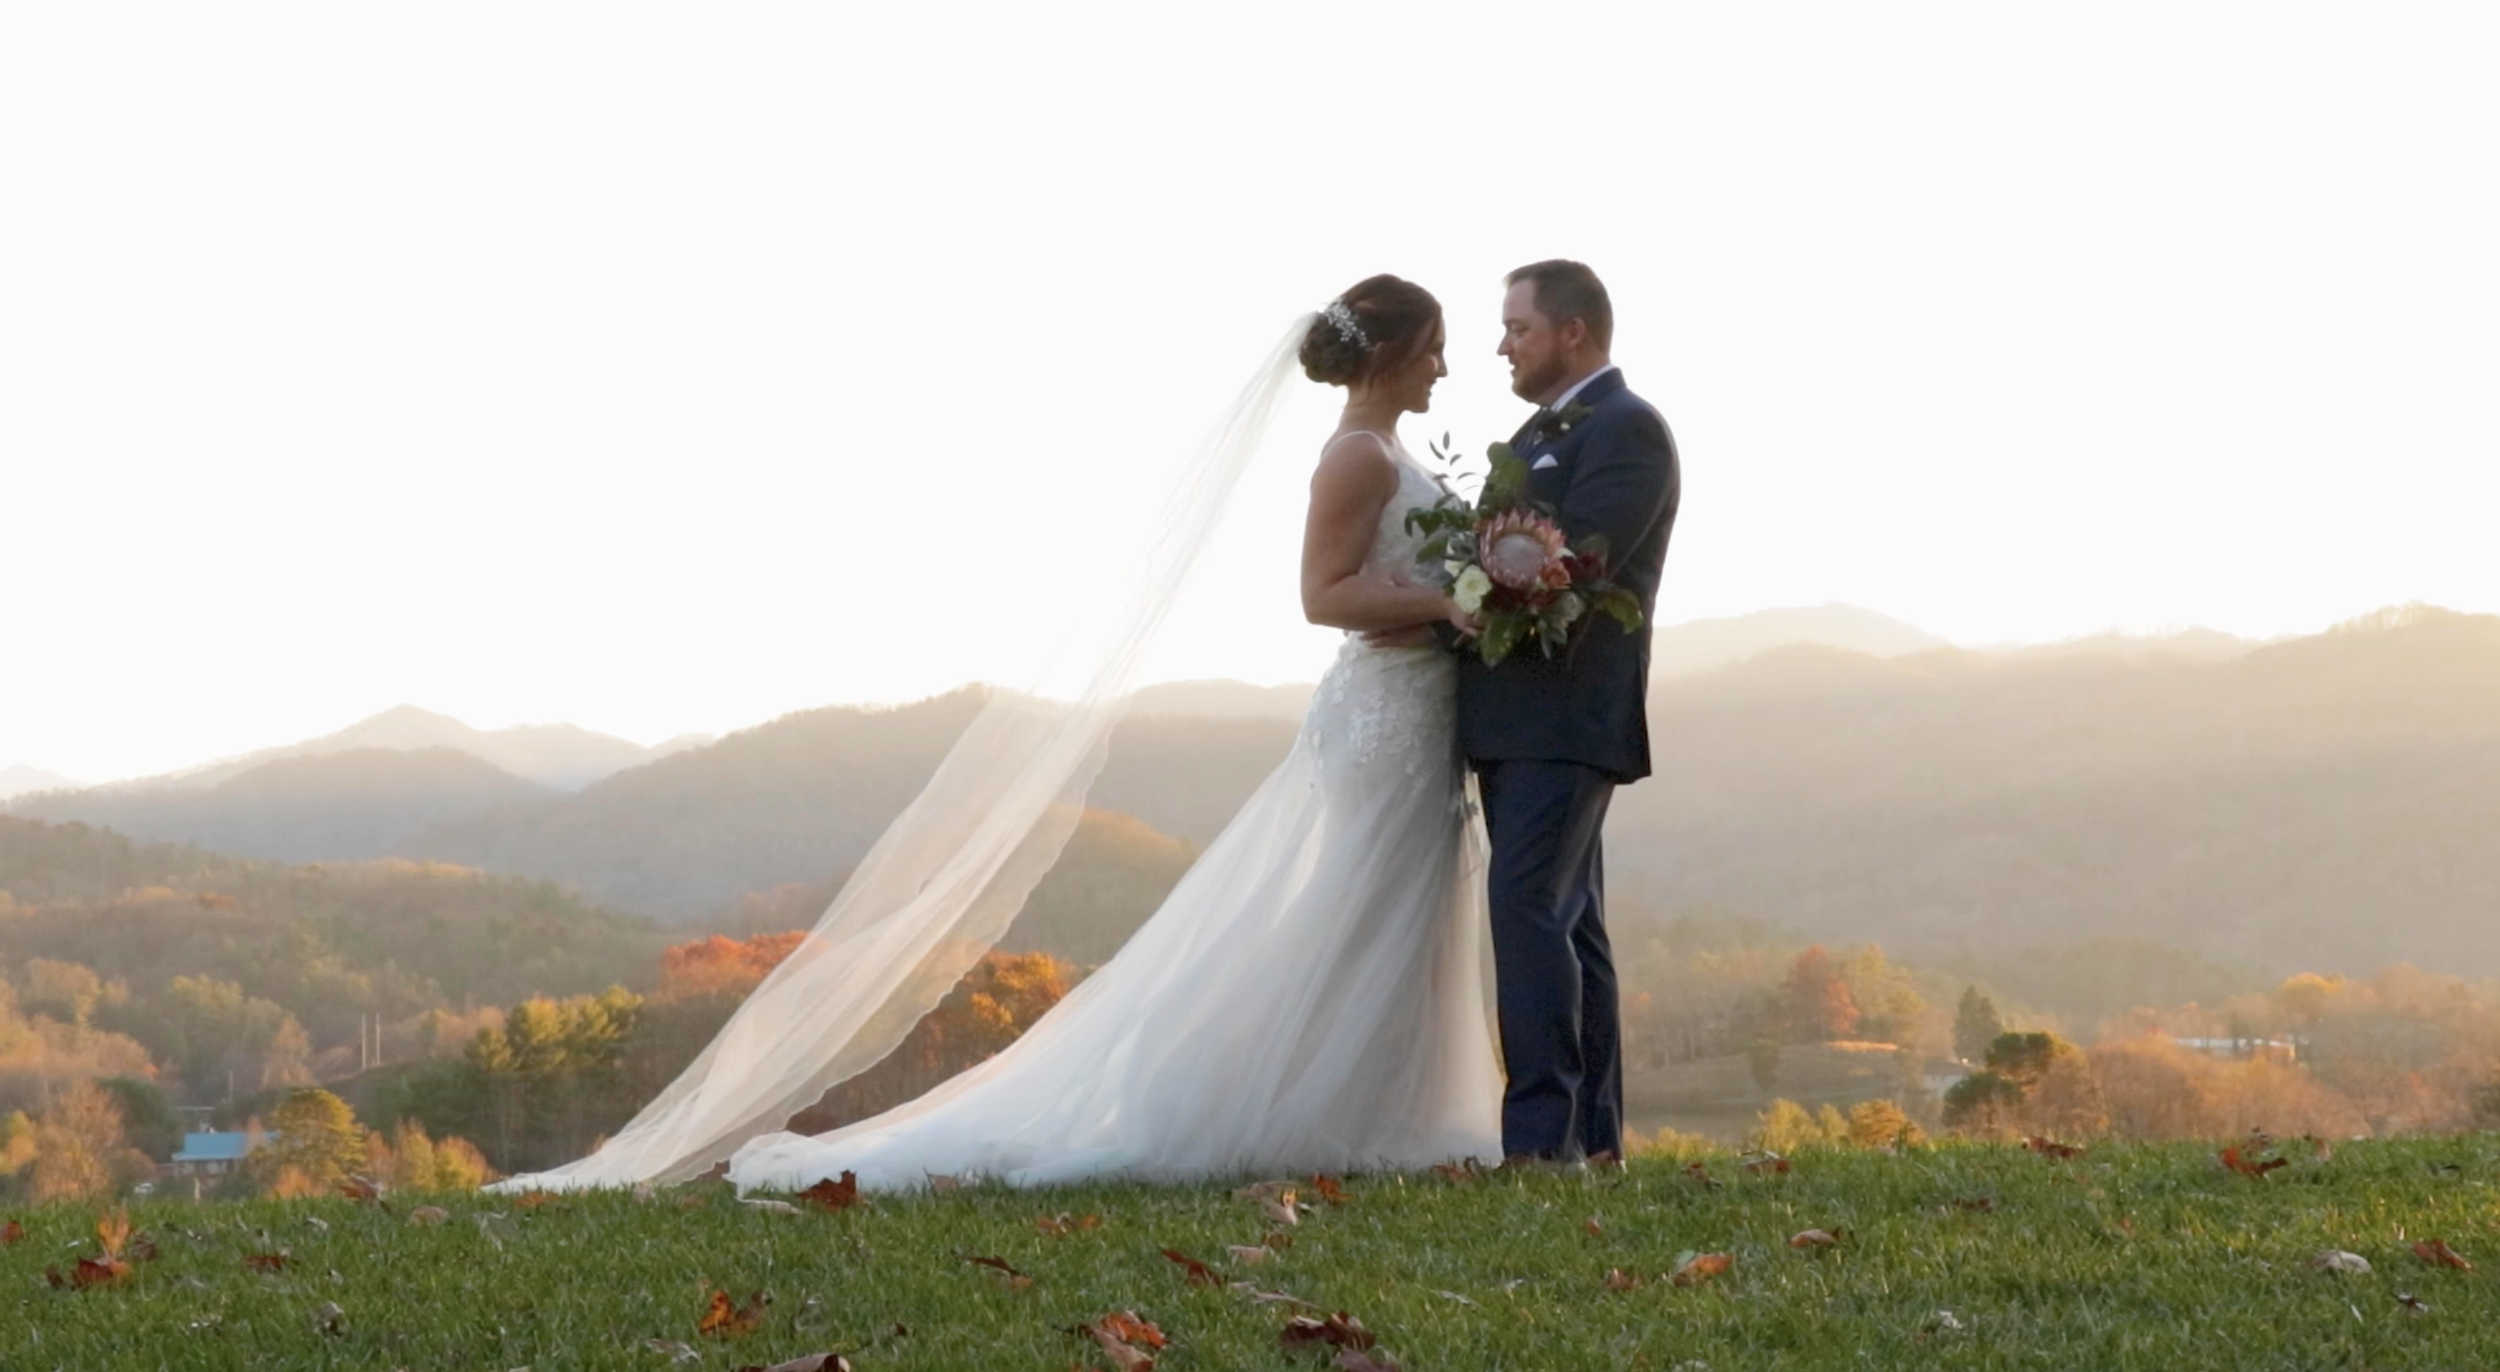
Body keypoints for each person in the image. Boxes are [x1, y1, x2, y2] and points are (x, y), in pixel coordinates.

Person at [1457, 260, 1680, 1167]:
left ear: (1573, 332)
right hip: (1515, 717)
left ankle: (1541, 1146)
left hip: (1567, 713)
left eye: (1517, 328)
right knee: (1569, 919)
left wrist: (1475, 589)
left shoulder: (1630, 431)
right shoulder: (1536, 433)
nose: (1502, 345)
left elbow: (1578, 567)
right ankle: (1591, 1143)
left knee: (1527, 908)